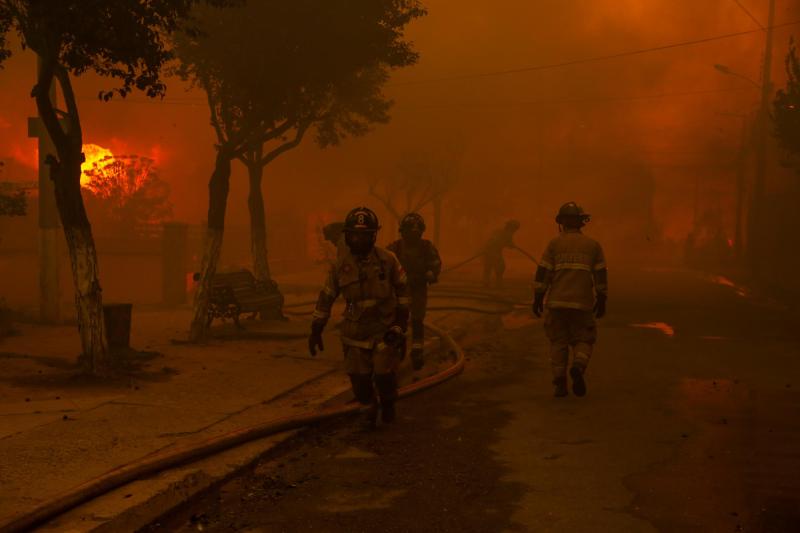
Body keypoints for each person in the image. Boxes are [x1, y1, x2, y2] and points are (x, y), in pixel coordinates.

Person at [308, 207, 410, 427]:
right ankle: (369, 409)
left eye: (365, 235)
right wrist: (316, 329)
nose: (360, 239)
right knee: (360, 381)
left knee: (384, 376)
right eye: (355, 235)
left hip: (384, 329)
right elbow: (326, 296)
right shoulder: (340, 267)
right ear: (348, 235)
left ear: (373, 235)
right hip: (354, 333)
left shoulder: (388, 260)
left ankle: (389, 402)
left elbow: (403, 292)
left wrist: (401, 325)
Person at [532, 202, 608, 398]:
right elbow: (600, 274)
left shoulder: (554, 244)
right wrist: (602, 298)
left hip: (556, 303)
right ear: (582, 222)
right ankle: (578, 366)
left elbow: (543, 273)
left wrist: (538, 297)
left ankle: (560, 384)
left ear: (562, 223)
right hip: (582, 304)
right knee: (584, 339)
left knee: (558, 342)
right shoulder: (593, 245)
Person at [387, 213, 442, 370]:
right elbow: (383, 263)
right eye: (410, 231)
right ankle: (397, 346)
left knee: (417, 320)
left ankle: (417, 350)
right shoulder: (394, 248)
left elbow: (435, 262)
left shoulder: (426, 246)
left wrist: (432, 272)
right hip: (398, 291)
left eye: (417, 231)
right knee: (397, 320)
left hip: (418, 288)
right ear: (403, 231)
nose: (414, 234)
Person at [482, 219, 520, 288]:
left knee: (496, 267)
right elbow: (492, 241)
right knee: (494, 267)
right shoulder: (500, 232)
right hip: (490, 251)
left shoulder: (507, 234)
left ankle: (493, 282)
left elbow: (509, 244)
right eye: (514, 229)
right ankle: (489, 282)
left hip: (494, 252)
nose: (514, 231)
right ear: (510, 227)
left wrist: (511, 245)